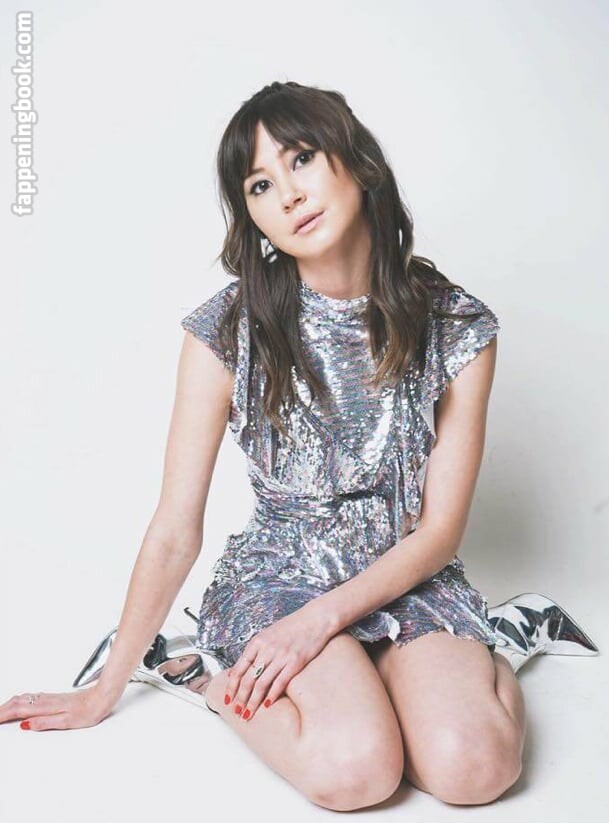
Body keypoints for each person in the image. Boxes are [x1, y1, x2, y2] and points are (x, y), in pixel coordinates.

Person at [0, 81, 599, 810]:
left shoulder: (455, 326)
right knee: (355, 770)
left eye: (302, 158)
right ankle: (201, 673)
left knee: (474, 768)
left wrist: (326, 624)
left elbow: (440, 530)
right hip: (279, 579)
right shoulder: (226, 331)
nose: (287, 195)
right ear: (250, 215)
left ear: (358, 162)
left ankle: (497, 636)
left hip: (408, 573)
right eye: (259, 184)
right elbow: (175, 526)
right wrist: (106, 686)